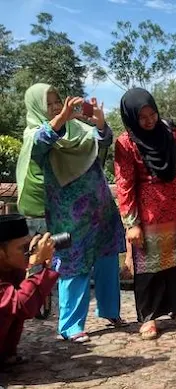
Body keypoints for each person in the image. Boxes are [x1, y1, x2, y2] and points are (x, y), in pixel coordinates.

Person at [15, 83, 126, 343]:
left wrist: (99, 124)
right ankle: (70, 325)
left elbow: (103, 143)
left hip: (100, 208)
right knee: (73, 265)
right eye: (49, 102)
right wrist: (59, 120)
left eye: (58, 101)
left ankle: (111, 312)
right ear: (37, 107)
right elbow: (41, 145)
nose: (56, 106)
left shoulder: (79, 129)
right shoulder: (36, 133)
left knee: (108, 260)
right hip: (69, 215)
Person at [115, 88, 176, 340]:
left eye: (152, 114)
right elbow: (124, 183)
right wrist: (131, 223)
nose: (149, 121)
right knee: (149, 267)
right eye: (142, 117)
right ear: (132, 118)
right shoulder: (126, 143)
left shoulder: (171, 134)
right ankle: (149, 317)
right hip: (150, 213)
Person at [1, 215, 57, 366]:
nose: (29, 252)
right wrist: (36, 266)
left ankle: (6, 354)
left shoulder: (13, 268)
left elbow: (33, 304)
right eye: (22, 248)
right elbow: (23, 306)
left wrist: (43, 267)